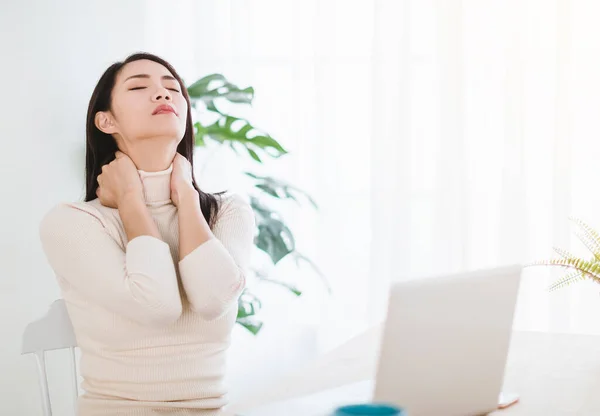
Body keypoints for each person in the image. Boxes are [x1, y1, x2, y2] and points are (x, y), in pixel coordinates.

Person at [39, 52, 255, 415]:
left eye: (172, 88)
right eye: (140, 86)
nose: (162, 94)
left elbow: (213, 299)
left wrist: (185, 195)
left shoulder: (228, 211)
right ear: (106, 121)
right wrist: (130, 201)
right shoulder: (71, 222)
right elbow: (157, 306)